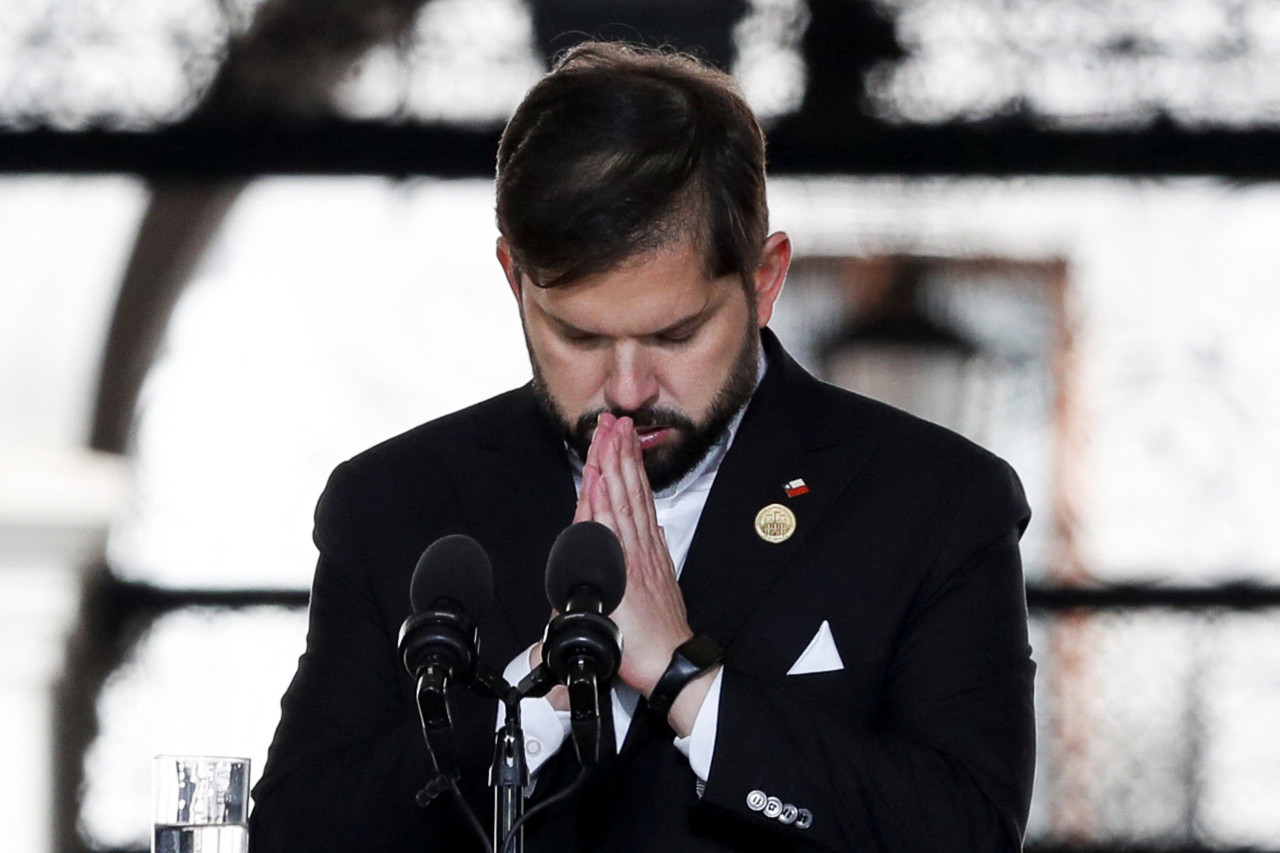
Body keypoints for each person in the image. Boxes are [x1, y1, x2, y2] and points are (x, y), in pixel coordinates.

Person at [249, 42, 1035, 852]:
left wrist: (686, 679)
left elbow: (968, 831)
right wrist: (537, 700)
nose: (627, 387)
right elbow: (293, 833)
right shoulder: (393, 504)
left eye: (676, 333)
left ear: (764, 280)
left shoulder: (935, 501)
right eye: (579, 336)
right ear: (514, 279)